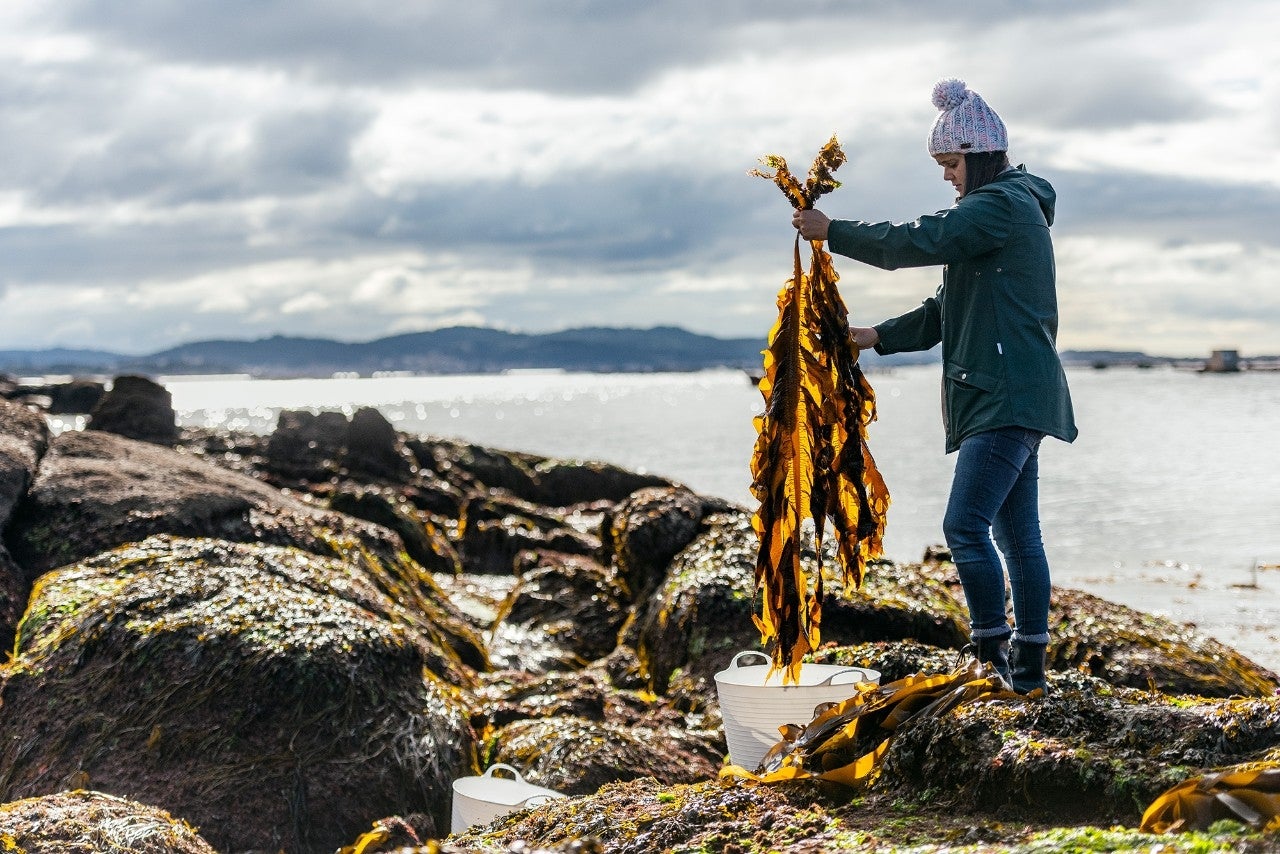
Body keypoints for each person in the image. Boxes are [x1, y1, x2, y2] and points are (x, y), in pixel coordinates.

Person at [793, 77, 1078, 695]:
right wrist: (871, 337)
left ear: (975, 156)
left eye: (950, 164)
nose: (947, 176)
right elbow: (945, 310)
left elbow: (920, 240)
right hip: (1011, 392)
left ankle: (992, 656)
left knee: (964, 527)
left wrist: (833, 232)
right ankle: (1028, 667)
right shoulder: (1001, 215)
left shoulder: (998, 206)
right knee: (1016, 534)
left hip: (1003, 394)